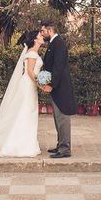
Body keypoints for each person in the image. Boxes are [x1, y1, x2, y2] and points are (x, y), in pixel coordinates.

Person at [0, 30, 44, 157]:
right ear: (35, 39)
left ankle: (24, 141)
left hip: (29, 85)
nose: (42, 36)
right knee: (25, 112)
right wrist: (40, 85)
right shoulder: (32, 53)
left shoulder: (32, 52)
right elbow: (30, 72)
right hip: (28, 85)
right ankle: (18, 144)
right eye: (40, 35)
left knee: (26, 112)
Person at [40, 22, 77, 158]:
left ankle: (65, 149)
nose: (42, 33)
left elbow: (58, 67)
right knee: (57, 118)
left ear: (50, 30)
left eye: (43, 31)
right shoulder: (54, 43)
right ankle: (60, 144)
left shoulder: (59, 43)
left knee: (62, 118)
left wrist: (52, 85)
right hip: (57, 87)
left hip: (61, 87)